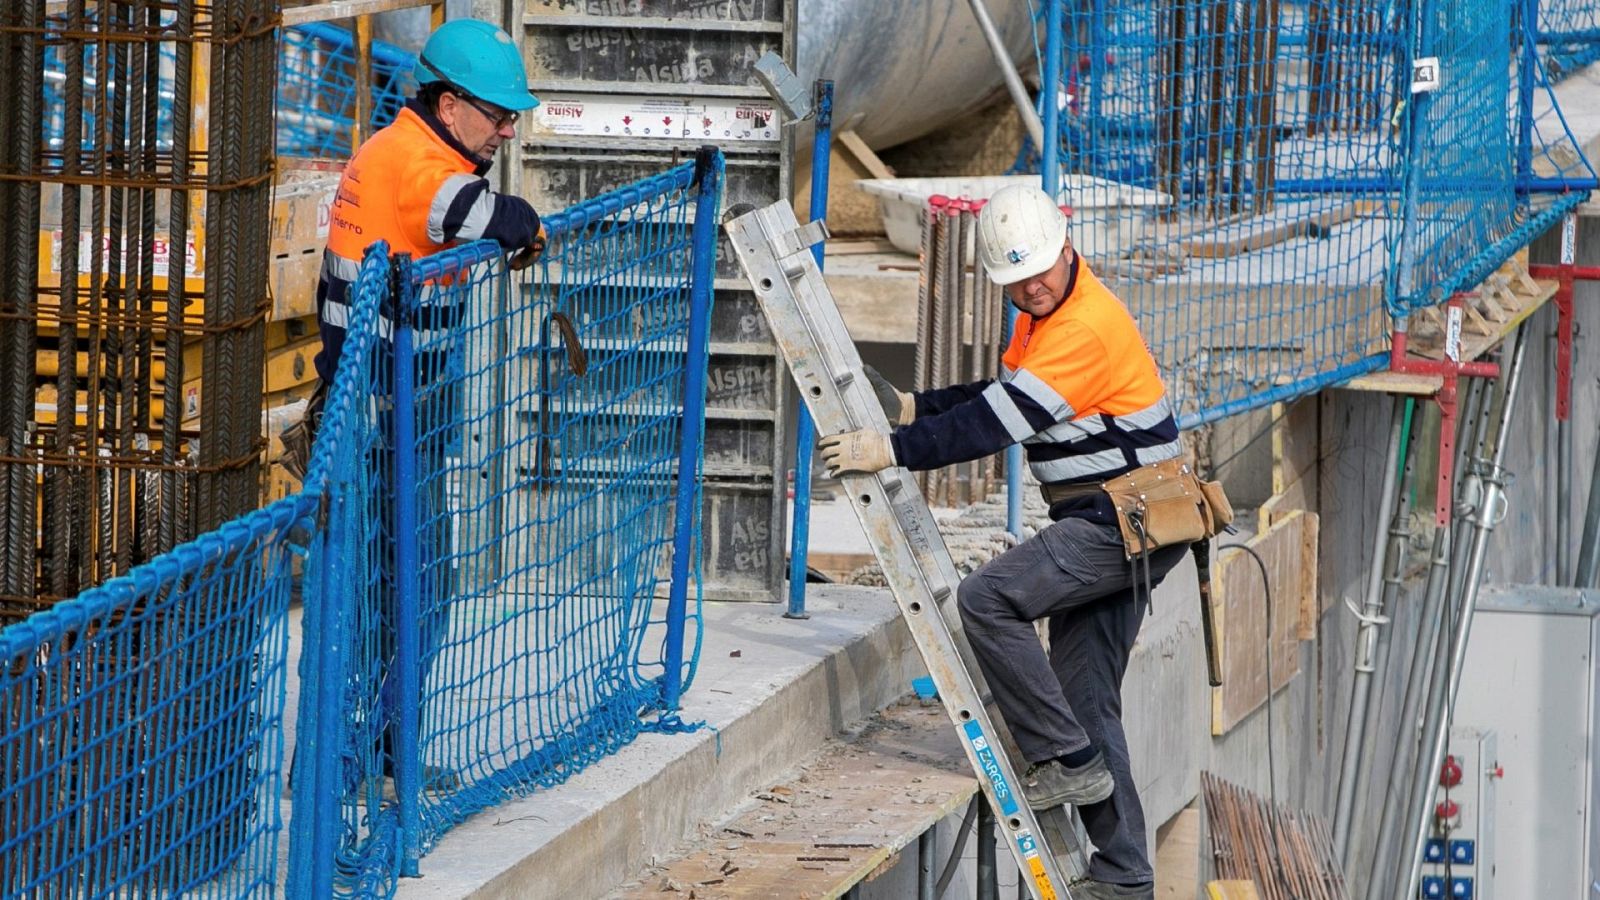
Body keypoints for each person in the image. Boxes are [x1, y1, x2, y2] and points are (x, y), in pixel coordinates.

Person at [818, 184, 1187, 900]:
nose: (1032, 286)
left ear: (1067, 249)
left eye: (1041, 271)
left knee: (987, 600)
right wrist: (912, 408)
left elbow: (993, 427)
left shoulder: (1084, 327)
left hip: (1125, 521)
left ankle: (1065, 759)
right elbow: (997, 393)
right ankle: (1125, 875)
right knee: (1087, 702)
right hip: (1117, 521)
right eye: (1018, 280)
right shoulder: (1040, 318)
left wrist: (888, 448)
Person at [284, 18, 547, 798]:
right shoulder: (420, 169)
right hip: (381, 412)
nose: (508, 128)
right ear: (447, 101)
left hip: (387, 405)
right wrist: (524, 224)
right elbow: (495, 219)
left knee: (404, 586)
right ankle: (339, 766)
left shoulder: (402, 147)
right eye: (497, 113)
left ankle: (373, 756)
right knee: (403, 590)